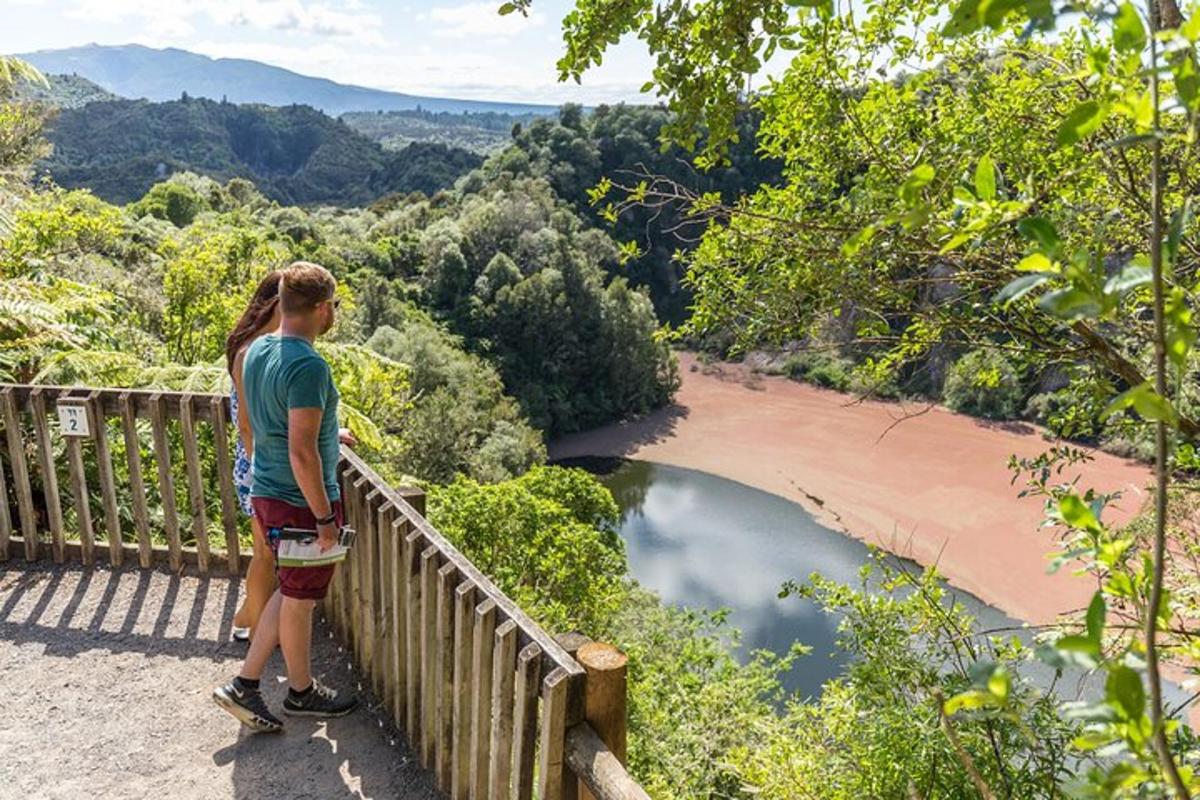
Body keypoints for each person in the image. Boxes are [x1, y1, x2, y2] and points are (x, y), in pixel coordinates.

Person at [213, 261, 357, 732]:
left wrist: (332, 434)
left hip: (265, 491)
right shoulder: (309, 365)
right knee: (300, 601)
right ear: (321, 309)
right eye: (332, 305)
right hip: (300, 501)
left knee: (289, 589)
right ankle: (296, 691)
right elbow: (302, 452)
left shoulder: (257, 352)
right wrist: (323, 518)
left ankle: (249, 686)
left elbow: (267, 426)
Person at [227, 271, 283, 643]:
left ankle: (251, 620)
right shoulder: (251, 350)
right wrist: (264, 472)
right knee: (265, 552)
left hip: (259, 463)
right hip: (257, 466)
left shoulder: (265, 344)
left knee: (267, 552)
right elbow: (248, 425)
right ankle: (252, 622)